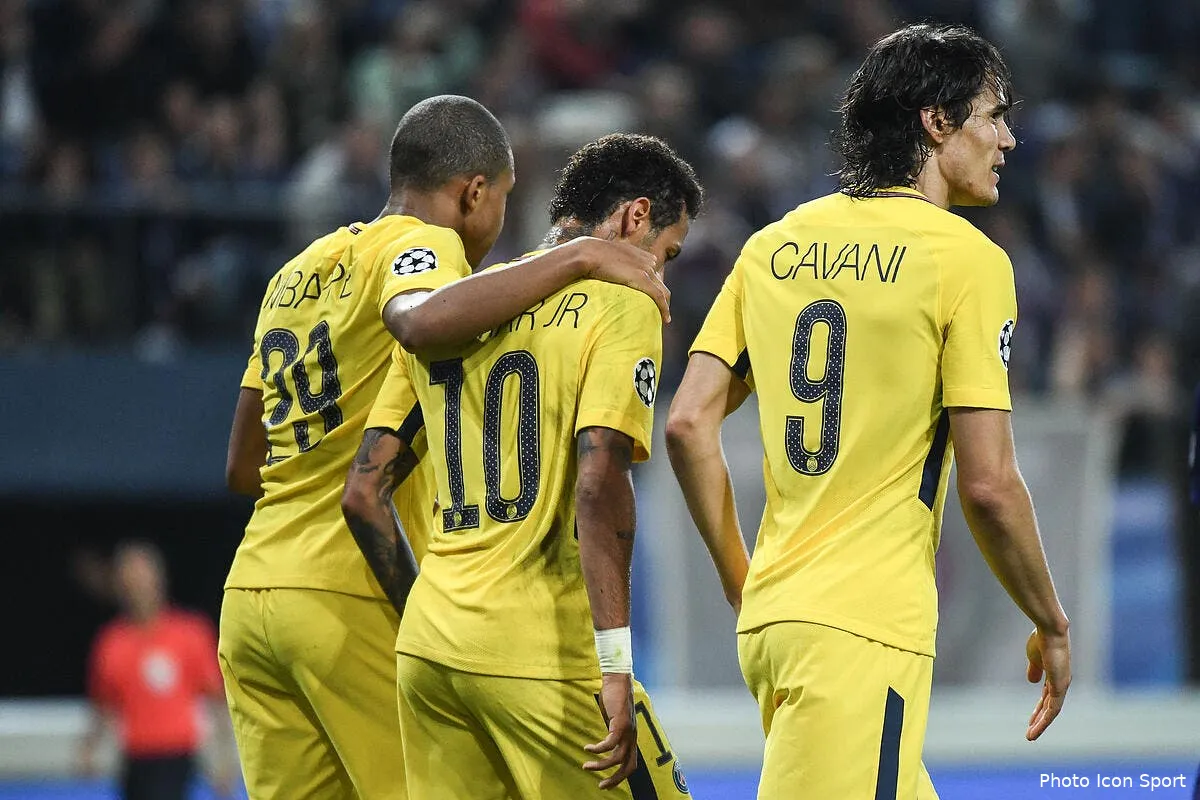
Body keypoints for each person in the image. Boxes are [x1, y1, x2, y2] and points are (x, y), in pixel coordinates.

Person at [220, 95, 674, 800]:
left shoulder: (297, 272)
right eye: (503, 200)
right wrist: (584, 253)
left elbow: (243, 466)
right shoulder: (426, 249)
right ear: (474, 192)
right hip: (350, 596)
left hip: (251, 596)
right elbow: (422, 320)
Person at [664, 23, 1072, 799]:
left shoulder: (774, 246)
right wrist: (1052, 620)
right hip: (863, 625)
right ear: (936, 121)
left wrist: (741, 580)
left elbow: (688, 424)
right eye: (993, 114)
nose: (1009, 138)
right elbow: (988, 485)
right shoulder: (966, 260)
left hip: (777, 622)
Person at [341, 133, 702, 799]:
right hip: (543, 653)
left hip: (430, 650)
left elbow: (364, 491)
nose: (662, 274)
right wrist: (616, 666)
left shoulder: (456, 308)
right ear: (635, 217)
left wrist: (434, 618)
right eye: (667, 253)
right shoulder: (624, 300)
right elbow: (598, 483)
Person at [80, 541, 236, 800]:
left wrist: (225, 757)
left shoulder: (190, 633)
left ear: (158, 580)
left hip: (177, 756)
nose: (138, 588)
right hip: (135, 758)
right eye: (130, 581)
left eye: (142, 578)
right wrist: (89, 748)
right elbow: (103, 705)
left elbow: (217, 700)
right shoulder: (112, 642)